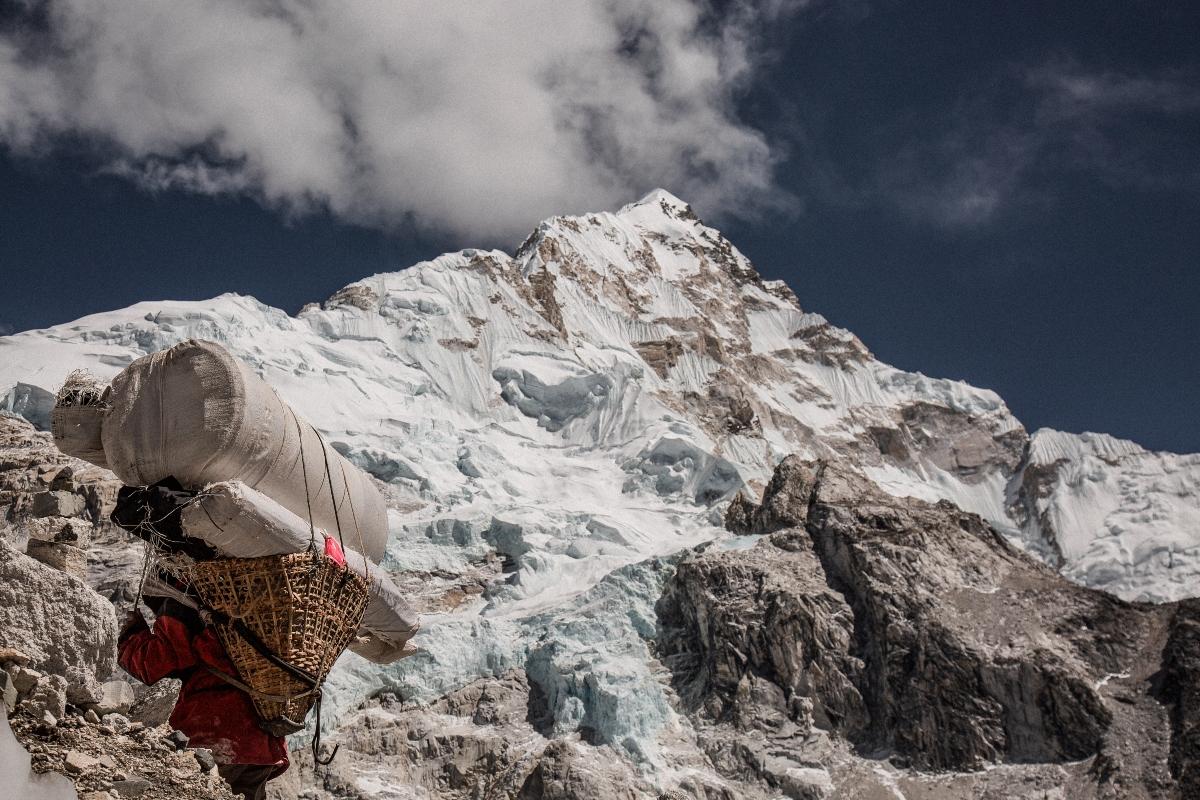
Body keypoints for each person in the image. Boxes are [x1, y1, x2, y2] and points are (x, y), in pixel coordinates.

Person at [118, 596, 289, 800]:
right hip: (263, 740)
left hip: (212, 733)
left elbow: (157, 663)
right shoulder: (269, 600)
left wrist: (131, 635)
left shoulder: (189, 594)